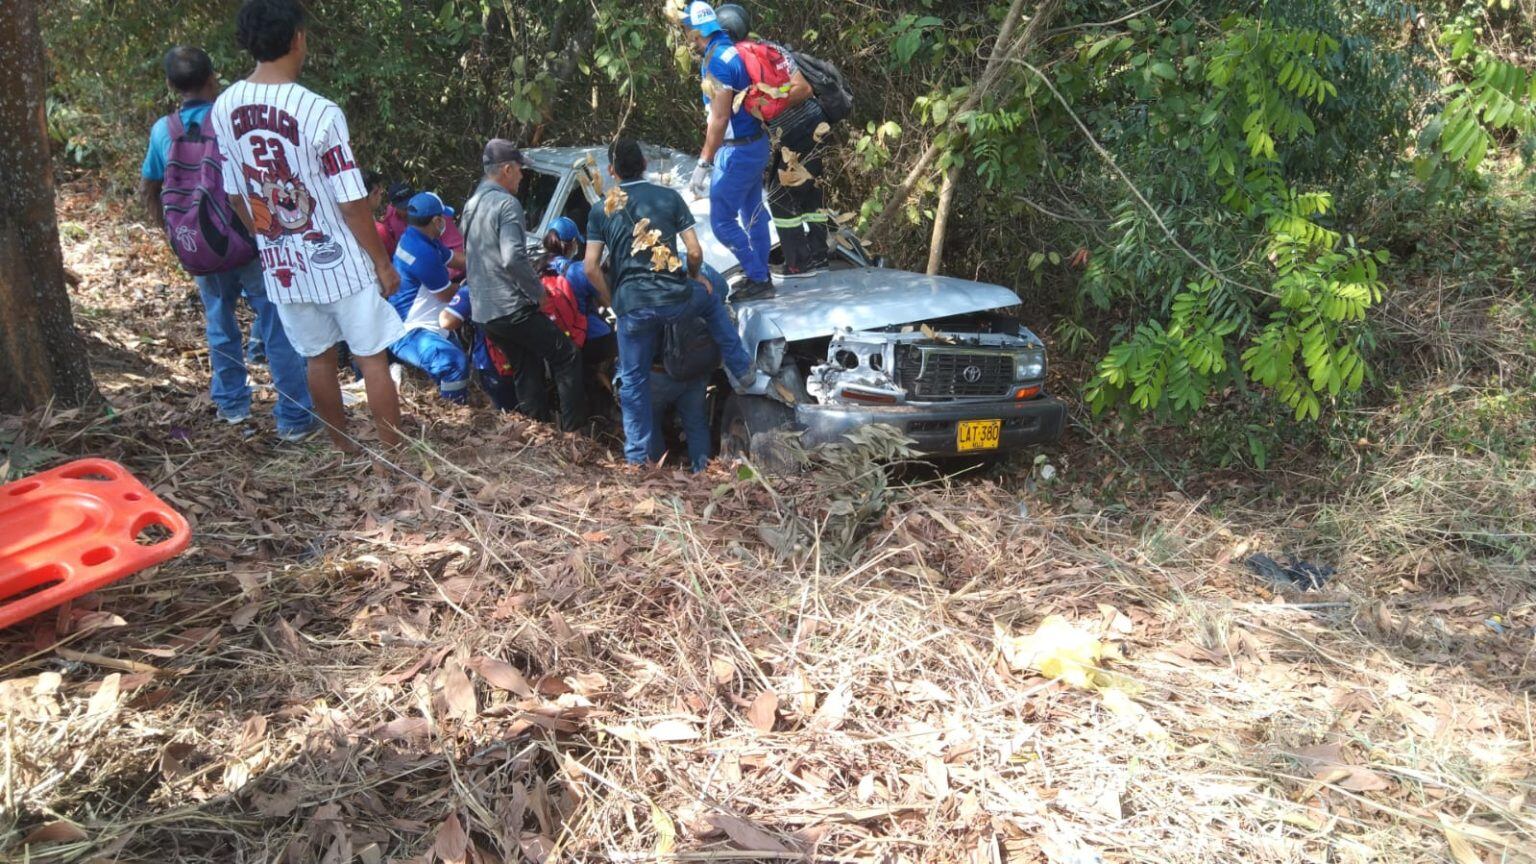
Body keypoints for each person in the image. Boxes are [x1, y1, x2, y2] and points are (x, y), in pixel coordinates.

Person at [212, 0, 405, 453]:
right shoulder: (320, 112)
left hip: (283, 264)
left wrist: (267, 236)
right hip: (340, 259)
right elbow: (352, 200)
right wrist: (381, 262)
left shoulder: (224, 107)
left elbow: (236, 193)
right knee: (371, 357)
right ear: (297, 38)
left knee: (317, 358)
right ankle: (391, 457)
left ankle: (343, 450)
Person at [139, 45, 315, 441]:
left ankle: (233, 405)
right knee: (275, 324)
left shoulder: (163, 131)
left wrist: (177, 238)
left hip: (200, 245)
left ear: (171, 85)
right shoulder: (230, 120)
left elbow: (151, 186)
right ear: (212, 79)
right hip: (248, 239)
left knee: (219, 323)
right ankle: (294, 418)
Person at [584, 138, 770, 466]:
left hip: (633, 311)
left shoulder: (603, 209)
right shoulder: (668, 198)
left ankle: (637, 461)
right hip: (675, 299)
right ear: (643, 162)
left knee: (633, 383)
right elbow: (694, 252)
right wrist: (695, 275)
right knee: (711, 302)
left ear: (611, 171)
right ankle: (741, 369)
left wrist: (616, 302)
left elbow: (590, 268)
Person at [462, 138, 587, 431]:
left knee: (526, 365)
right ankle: (574, 435)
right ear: (506, 169)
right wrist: (538, 293)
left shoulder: (472, 204)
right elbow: (513, 258)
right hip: (510, 307)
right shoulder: (507, 204)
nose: (522, 175)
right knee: (566, 355)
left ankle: (537, 432)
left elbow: (474, 255)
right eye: (519, 169)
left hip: (484, 310)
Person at [716, 3, 832, 278]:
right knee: (810, 190)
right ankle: (819, 257)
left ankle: (798, 264)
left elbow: (794, 92)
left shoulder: (735, 59)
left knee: (779, 196)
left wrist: (769, 104)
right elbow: (803, 87)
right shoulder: (771, 48)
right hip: (816, 121)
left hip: (794, 130)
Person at [678, 1, 776, 301]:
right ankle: (759, 273)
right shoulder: (729, 49)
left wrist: (704, 163)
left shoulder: (718, 61)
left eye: (686, 29)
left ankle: (759, 277)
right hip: (756, 144)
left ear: (697, 31)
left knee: (721, 221)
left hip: (737, 151)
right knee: (752, 213)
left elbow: (720, 119)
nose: (684, 35)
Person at [386, 192, 472, 403]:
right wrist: (470, 286)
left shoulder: (418, 238)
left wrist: (485, 263)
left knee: (460, 362)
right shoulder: (423, 252)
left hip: (426, 321)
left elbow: (456, 260)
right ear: (436, 220)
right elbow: (445, 294)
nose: (446, 222)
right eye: (444, 217)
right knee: (454, 364)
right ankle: (454, 410)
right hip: (412, 329)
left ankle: (451, 400)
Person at [646, 265, 731, 472]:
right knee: (696, 423)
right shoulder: (703, 270)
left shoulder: (651, 278)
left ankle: (658, 474)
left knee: (649, 421)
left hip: (659, 374)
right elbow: (723, 289)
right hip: (696, 369)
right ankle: (701, 471)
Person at [542, 217, 617, 396]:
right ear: (573, 243)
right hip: (587, 338)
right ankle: (613, 394)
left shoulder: (537, 267)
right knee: (618, 343)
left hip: (552, 338)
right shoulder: (578, 270)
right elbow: (608, 304)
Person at [440, 287, 519, 412]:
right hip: (532, 357)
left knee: (508, 410)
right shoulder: (527, 278)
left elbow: (447, 322)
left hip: (493, 362)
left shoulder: (472, 288)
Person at [379, 182, 467, 281]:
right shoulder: (390, 219)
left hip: (443, 273)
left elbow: (458, 252)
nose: (408, 211)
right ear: (394, 206)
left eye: (410, 206)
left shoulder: (435, 216)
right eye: (404, 208)